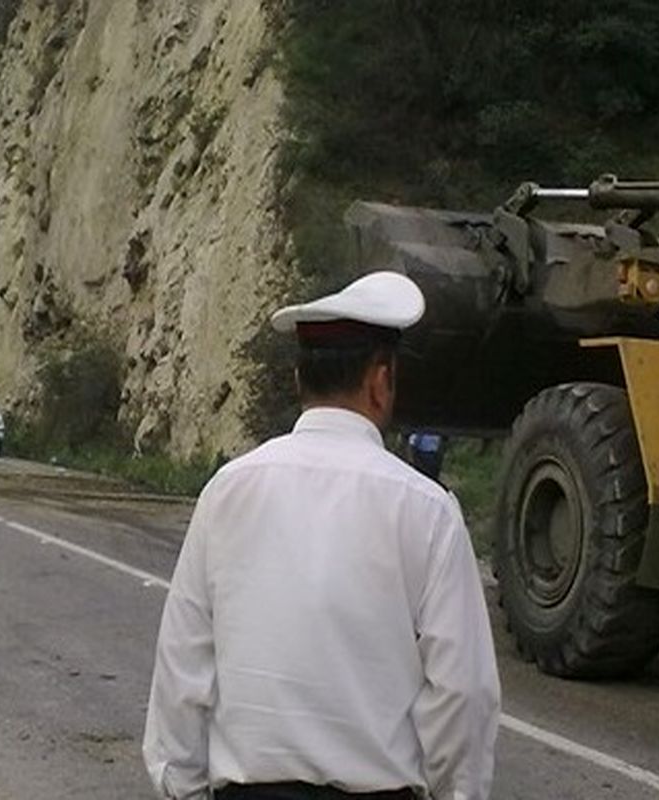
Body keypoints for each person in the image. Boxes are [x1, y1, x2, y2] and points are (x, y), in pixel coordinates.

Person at [143, 272, 500, 800]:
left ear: (297, 381)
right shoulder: (427, 511)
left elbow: (183, 667)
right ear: (381, 380)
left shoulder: (228, 491)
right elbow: (463, 695)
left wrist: (185, 788)